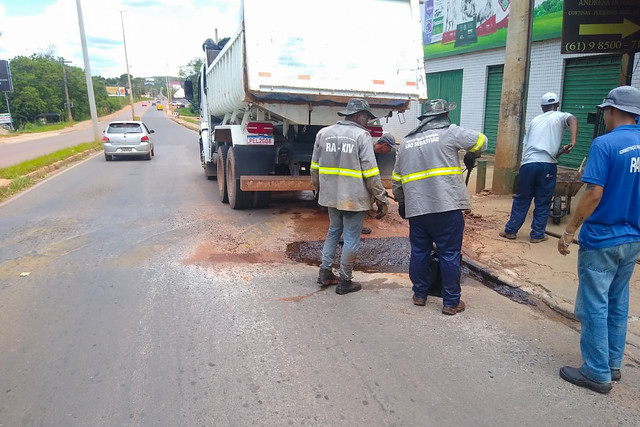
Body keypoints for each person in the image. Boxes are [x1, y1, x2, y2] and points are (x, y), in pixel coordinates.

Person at [557, 86, 640, 394]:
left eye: (605, 110)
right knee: (618, 301)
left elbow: (593, 193)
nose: (604, 115)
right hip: (633, 238)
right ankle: (613, 365)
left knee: (594, 303)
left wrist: (569, 231)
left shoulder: (605, 144)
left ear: (613, 111)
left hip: (603, 238)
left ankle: (596, 372)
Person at [392, 99, 487, 314]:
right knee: (449, 253)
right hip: (447, 208)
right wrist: (471, 153)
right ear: (444, 116)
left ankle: (419, 294)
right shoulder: (450, 132)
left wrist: (402, 202)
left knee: (419, 252)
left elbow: (397, 179)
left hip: (417, 209)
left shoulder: (407, 141)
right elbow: (482, 141)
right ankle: (451, 302)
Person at [311, 98, 389, 295]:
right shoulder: (361, 136)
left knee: (334, 231)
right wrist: (380, 198)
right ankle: (345, 280)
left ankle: (325, 272)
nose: (368, 122)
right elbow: (371, 172)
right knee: (352, 237)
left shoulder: (324, 133)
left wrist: (317, 188)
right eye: (367, 118)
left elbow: (314, 167)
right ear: (358, 116)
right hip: (353, 198)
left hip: (330, 195)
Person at [500, 92, 578, 243]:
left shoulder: (535, 120)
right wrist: (572, 142)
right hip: (547, 165)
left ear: (542, 107)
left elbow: (528, 145)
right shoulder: (561, 116)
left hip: (528, 164)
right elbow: (573, 119)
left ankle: (510, 230)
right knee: (543, 200)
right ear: (558, 105)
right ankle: (537, 235)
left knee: (522, 198)